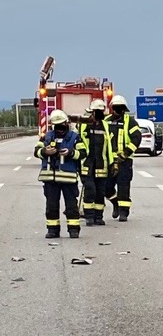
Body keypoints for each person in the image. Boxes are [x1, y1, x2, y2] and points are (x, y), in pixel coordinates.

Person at [34, 109, 82, 238]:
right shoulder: (47, 136)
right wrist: (45, 152)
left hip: (69, 179)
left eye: (61, 125)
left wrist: (70, 153)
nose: (59, 128)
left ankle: (73, 229)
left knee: (71, 206)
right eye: (57, 126)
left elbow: (83, 154)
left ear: (66, 123)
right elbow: (36, 151)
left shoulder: (75, 137)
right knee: (51, 206)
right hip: (50, 179)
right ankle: (52, 230)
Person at [106, 94, 142, 221]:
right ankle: (115, 202)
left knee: (123, 186)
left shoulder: (130, 122)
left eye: (120, 108)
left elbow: (137, 138)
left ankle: (123, 212)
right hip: (109, 160)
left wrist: (125, 153)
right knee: (106, 186)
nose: (117, 111)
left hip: (124, 161)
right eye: (115, 108)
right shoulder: (106, 121)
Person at [78, 99, 113, 226]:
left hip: (101, 164)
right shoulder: (83, 125)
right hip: (87, 164)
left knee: (100, 192)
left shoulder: (106, 126)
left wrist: (112, 163)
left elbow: (109, 146)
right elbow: (79, 141)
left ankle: (99, 216)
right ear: (92, 112)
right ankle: (89, 216)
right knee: (90, 190)